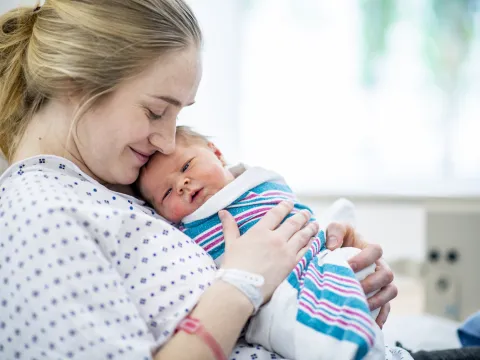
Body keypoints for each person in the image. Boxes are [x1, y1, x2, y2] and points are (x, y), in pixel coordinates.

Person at [0, 1, 397, 359]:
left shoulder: (111, 187)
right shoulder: (40, 216)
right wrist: (242, 283)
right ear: (76, 82)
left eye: (178, 115)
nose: (167, 140)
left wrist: (324, 263)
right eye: (156, 111)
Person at [138, 126, 413, 360]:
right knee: (293, 318)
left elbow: (295, 210)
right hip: (279, 291)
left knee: (352, 262)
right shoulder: (187, 233)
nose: (182, 184)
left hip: (319, 256)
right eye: (167, 193)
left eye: (186, 166)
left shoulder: (255, 182)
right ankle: (347, 342)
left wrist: (330, 236)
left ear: (217, 152)